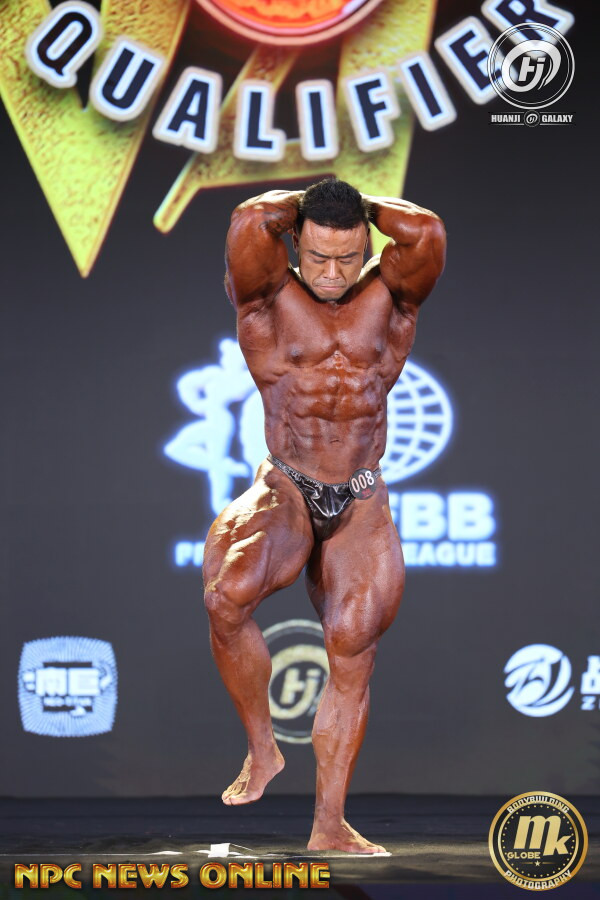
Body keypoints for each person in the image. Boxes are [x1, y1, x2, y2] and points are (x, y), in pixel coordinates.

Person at [202, 178, 446, 854]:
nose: (333, 273)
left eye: (348, 257)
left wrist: (362, 208)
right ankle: (262, 747)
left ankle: (329, 824)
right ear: (294, 244)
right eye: (317, 257)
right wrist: (309, 205)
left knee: (353, 645)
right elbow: (251, 217)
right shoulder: (264, 295)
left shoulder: (391, 295)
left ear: (368, 246)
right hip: (287, 483)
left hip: (361, 493)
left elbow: (426, 231)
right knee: (227, 595)